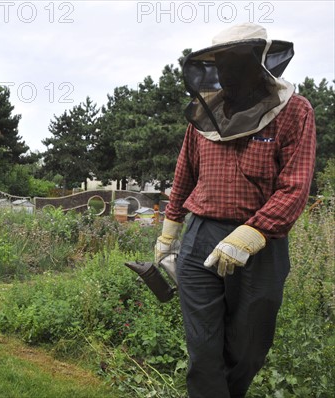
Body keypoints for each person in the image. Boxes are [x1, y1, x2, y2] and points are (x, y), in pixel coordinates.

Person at [155, 24, 316, 397]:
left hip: (261, 245)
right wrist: (168, 234)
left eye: (235, 61)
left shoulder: (294, 111)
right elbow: (184, 175)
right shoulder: (204, 113)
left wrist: (253, 232)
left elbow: (295, 186)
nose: (226, 71)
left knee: (248, 347)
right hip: (200, 239)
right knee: (203, 349)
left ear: (259, 61)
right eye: (220, 62)